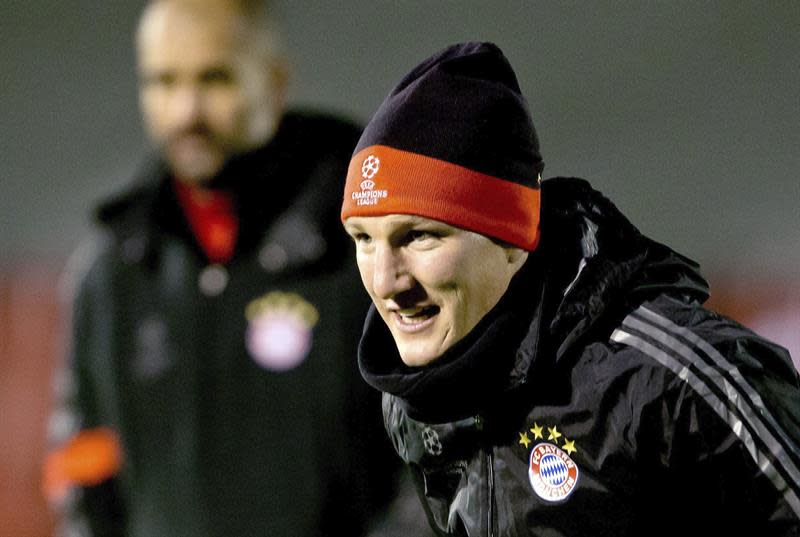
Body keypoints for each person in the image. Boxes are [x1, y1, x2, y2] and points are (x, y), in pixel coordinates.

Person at [340, 41, 800, 536]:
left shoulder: (671, 380)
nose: (386, 281)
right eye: (364, 239)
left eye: (420, 236)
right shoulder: (413, 395)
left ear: (513, 240)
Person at [43, 1, 403, 535]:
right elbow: (83, 472)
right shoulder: (111, 273)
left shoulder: (366, 249)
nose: (186, 111)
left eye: (215, 79)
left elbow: (426, 465)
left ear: (275, 82)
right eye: (163, 82)